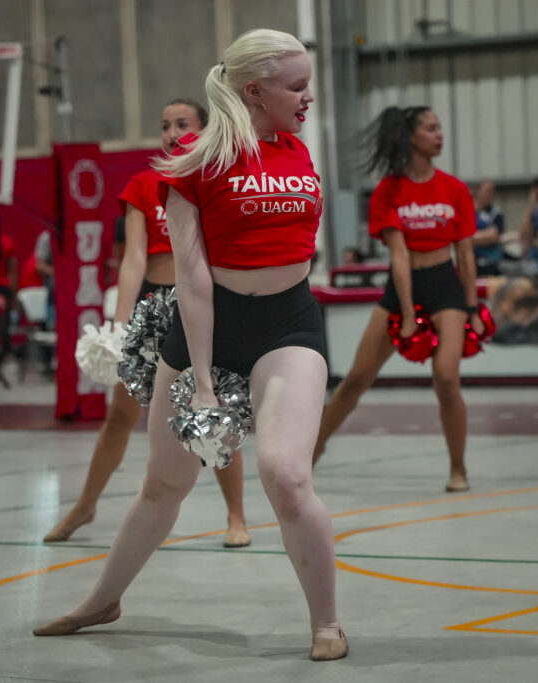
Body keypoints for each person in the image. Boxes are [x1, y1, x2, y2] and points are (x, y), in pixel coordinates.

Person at [33, 29, 347, 661]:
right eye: (297, 85)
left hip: (289, 326)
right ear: (255, 90)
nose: (308, 96)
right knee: (163, 484)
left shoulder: (298, 151)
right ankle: (103, 599)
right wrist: (202, 381)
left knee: (285, 475)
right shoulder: (194, 163)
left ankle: (327, 622)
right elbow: (193, 279)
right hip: (207, 326)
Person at [43, 98, 251, 547]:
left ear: (204, 129)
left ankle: (237, 517)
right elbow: (133, 258)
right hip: (151, 310)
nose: (172, 132)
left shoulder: (216, 179)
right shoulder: (142, 184)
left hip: (201, 311)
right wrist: (119, 324)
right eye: (164, 125)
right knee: (119, 416)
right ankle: (85, 506)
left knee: (210, 414)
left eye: (182, 124)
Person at [311, 105, 482, 495]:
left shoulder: (454, 189)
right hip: (403, 287)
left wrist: (471, 308)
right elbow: (399, 257)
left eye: (440, 128)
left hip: (445, 287)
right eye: (431, 128)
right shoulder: (389, 191)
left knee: (446, 378)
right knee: (355, 379)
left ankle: (458, 468)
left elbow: (466, 256)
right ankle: (314, 448)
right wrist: (406, 313)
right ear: (411, 138)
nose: (440, 135)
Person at [472, 180, 504, 276]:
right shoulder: (465, 211)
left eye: (493, 191)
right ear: (477, 190)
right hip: (470, 262)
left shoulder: (495, 213)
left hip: (490, 263)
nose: (491, 194)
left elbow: (493, 237)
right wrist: (483, 236)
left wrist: (469, 239)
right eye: (488, 190)